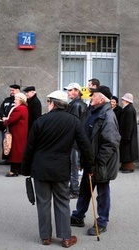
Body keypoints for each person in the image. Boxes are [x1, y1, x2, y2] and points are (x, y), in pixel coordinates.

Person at [22, 90, 93, 248]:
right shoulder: (73, 121)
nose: (48, 105)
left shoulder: (40, 121)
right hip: (61, 168)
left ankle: (45, 237)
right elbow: (85, 146)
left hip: (40, 168)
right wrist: (89, 166)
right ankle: (66, 238)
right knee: (62, 202)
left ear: (52, 103)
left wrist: (25, 169)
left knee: (43, 202)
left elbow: (30, 147)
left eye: (48, 102)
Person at [71, 85, 121, 236]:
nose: (91, 97)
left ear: (101, 98)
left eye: (94, 95)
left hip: (101, 162)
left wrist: (98, 161)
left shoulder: (108, 116)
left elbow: (111, 142)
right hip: (90, 160)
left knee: (102, 191)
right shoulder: (91, 112)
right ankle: (78, 216)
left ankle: (102, 221)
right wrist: (83, 158)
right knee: (85, 188)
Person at [64, 82, 87, 199]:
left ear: (76, 91)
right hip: (76, 140)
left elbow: (72, 124)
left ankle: (74, 190)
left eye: (70, 90)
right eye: (68, 90)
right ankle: (73, 189)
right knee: (73, 165)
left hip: (74, 141)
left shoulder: (76, 105)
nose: (68, 93)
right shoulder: (78, 104)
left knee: (73, 166)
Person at [2, 92, 28, 177]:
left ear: (21, 100)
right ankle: (19, 169)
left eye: (16, 99)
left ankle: (13, 171)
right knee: (19, 151)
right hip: (20, 133)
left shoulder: (19, 109)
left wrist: (5, 120)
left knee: (15, 151)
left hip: (17, 133)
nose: (14, 101)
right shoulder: (24, 108)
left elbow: (11, 120)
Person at [0, 84, 21, 163]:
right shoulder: (6, 100)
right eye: (10, 90)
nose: (11, 92)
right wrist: (3, 117)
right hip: (4, 126)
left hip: (12, 126)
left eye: (13, 90)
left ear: (18, 91)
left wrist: (8, 119)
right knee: (5, 143)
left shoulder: (19, 102)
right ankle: (6, 159)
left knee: (13, 144)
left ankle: (12, 159)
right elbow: (1, 110)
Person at [119, 93, 138, 173]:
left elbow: (128, 124)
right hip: (127, 135)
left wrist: (126, 137)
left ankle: (128, 167)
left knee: (127, 152)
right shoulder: (128, 109)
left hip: (127, 135)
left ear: (127, 100)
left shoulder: (129, 110)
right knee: (126, 151)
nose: (122, 101)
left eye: (123, 100)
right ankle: (125, 166)